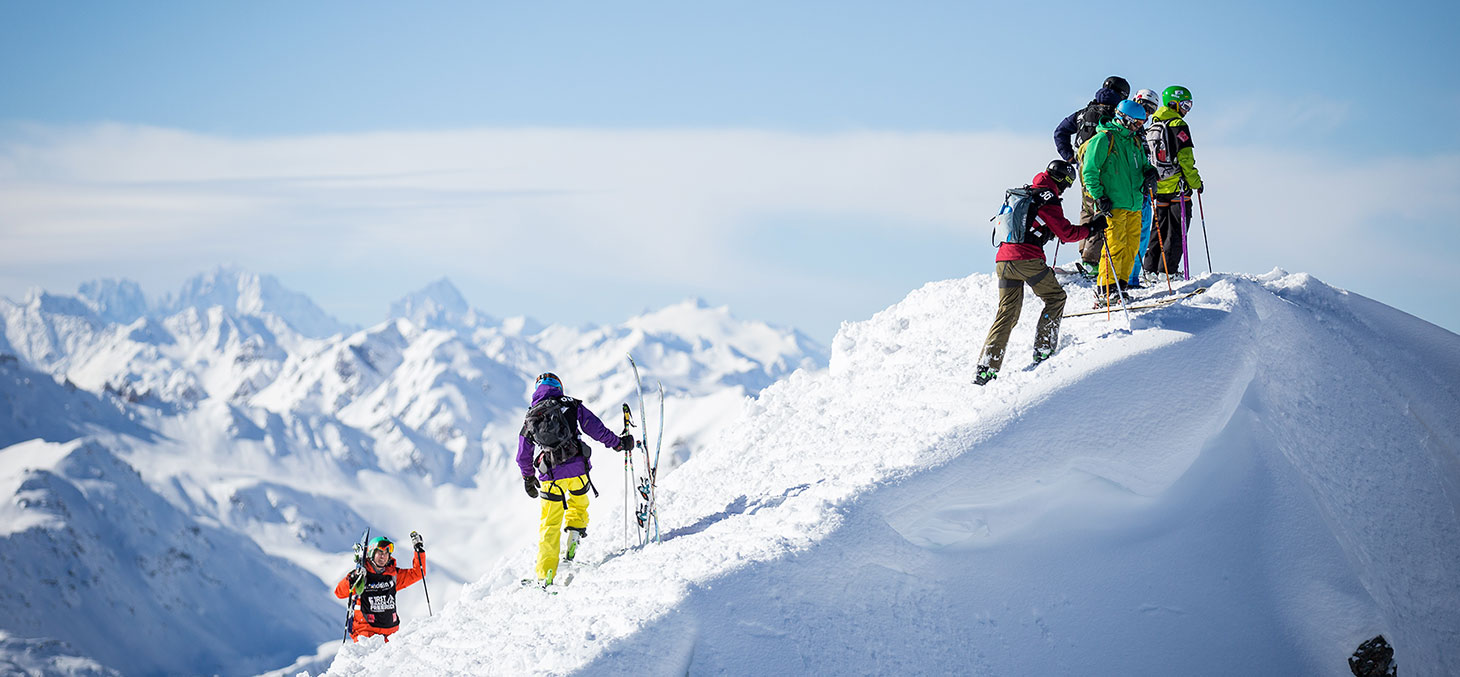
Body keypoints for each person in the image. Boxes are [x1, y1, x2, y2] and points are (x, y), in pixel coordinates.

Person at [975, 160, 1098, 386]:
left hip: (1003, 259)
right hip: (1026, 259)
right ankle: (1043, 350)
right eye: (1067, 185)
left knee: (1006, 313)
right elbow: (1067, 233)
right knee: (1055, 297)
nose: (1065, 190)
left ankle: (986, 367)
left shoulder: (1025, 193)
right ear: (1061, 180)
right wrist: (1091, 228)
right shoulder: (1047, 199)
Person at [518, 372, 632, 587]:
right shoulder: (572, 405)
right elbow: (596, 429)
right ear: (559, 386)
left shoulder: (531, 415)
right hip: (579, 470)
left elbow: (523, 453)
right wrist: (618, 443)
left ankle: (546, 574)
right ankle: (574, 535)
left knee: (550, 524)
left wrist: (527, 477)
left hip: (551, 476)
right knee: (578, 504)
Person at [1081, 99, 1157, 307]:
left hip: (1134, 202)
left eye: (1141, 124)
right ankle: (1106, 289)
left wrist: (1150, 172)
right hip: (1113, 202)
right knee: (1114, 245)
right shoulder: (1104, 139)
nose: (1139, 127)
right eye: (1137, 123)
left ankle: (1120, 286)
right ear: (1124, 118)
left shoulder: (1133, 141)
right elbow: (1089, 171)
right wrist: (1099, 196)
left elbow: (1142, 164)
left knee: (1131, 246)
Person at [1053, 75, 1129, 279]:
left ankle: (1084, 250)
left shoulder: (1084, 112)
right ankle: (1092, 260)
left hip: (1083, 166)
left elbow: (1060, 131)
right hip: (1107, 168)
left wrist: (1069, 156)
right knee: (1102, 208)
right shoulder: (1116, 114)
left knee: (1087, 206)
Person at [1142, 85, 1204, 279]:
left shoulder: (1153, 124)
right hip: (1178, 186)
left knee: (1158, 228)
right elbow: (1185, 158)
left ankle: (1150, 268)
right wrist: (1195, 182)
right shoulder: (1178, 124)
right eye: (1185, 104)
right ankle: (1167, 271)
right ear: (1173, 103)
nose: (1187, 109)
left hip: (1158, 186)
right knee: (1177, 230)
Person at [334, 533, 426, 642]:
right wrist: (352, 579)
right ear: (372, 553)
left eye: (387, 553)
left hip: (390, 633)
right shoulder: (361, 575)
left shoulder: (393, 575)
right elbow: (339, 593)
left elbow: (418, 573)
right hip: (366, 634)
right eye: (380, 552)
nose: (383, 556)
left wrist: (419, 551)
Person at [1127, 89, 1162, 287]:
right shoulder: (1127, 128)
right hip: (1129, 190)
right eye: (1145, 107)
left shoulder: (1143, 132)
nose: (1147, 113)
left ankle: (1133, 276)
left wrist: (1151, 174)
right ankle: (1122, 278)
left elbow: (1145, 158)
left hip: (1143, 189)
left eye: (1151, 110)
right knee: (1129, 235)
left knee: (1143, 234)